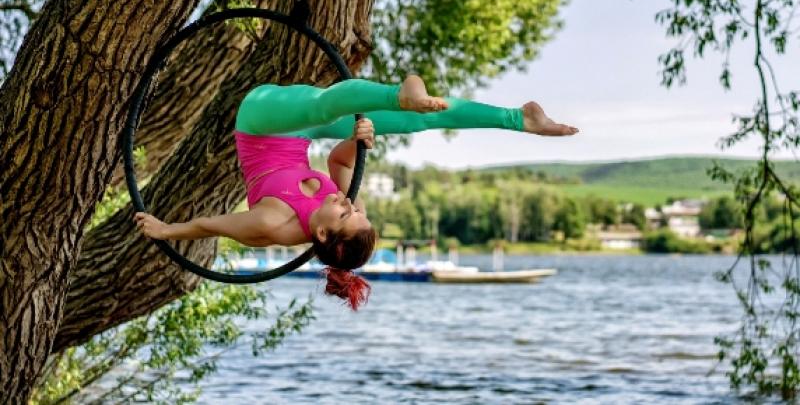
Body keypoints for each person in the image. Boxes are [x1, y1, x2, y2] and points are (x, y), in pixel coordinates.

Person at [134, 75, 579, 309]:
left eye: (347, 213)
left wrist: (163, 230)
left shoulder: (270, 224)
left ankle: (396, 93)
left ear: (324, 236)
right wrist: (362, 137)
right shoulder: (341, 209)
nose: (348, 202)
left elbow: (209, 225)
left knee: (326, 104)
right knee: (418, 120)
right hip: (301, 134)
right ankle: (519, 119)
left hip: (261, 119)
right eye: (355, 208)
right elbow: (340, 161)